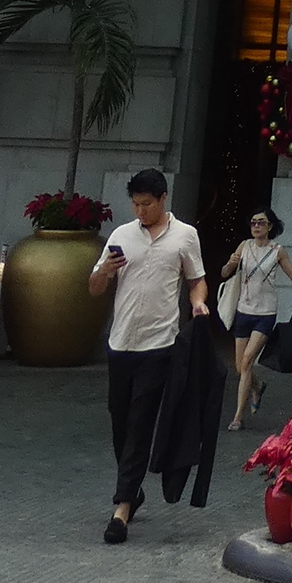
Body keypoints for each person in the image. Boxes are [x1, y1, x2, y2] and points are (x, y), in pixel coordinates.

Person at [88, 167, 208, 543]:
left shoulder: (185, 236)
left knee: (140, 421)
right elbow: (93, 288)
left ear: (163, 199)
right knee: (120, 422)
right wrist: (105, 270)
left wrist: (199, 304)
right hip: (121, 343)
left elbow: (196, 279)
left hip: (160, 345)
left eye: (147, 204)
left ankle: (121, 508)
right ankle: (134, 488)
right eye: (136, 204)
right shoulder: (122, 235)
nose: (140, 211)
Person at [219, 206, 292, 430]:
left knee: (248, 360)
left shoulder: (277, 250)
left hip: (265, 313)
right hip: (243, 310)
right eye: (253, 222)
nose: (256, 226)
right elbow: (224, 273)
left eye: (260, 222)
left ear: (270, 226)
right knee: (240, 367)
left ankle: (238, 417)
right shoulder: (244, 246)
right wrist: (230, 263)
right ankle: (257, 386)